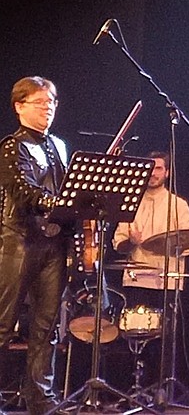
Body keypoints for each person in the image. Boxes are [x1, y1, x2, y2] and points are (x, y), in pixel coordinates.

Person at [0, 77, 70, 415]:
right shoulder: (11, 146)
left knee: (46, 326)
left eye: (51, 102)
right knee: (4, 322)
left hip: (53, 242)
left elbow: (67, 186)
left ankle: (42, 399)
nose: (48, 108)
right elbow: (23, 190)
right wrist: (57, 203)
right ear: (19, 106)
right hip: (19, 240)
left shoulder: (59, 145)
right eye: (40, 102)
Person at [113, 150, 189, 308]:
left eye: (158, 168)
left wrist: (170, 245)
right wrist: (131, 242)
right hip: (136, 280)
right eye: (150, 168)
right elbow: (119, 244)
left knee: (165, 324)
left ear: (167, 172)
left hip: (167, 280)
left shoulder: (179, 205)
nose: (153, 173)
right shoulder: (131, 203)